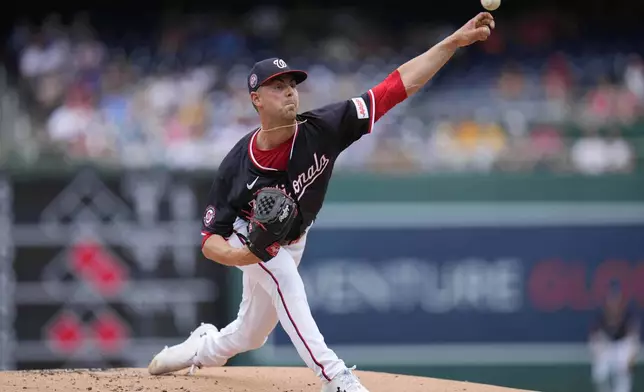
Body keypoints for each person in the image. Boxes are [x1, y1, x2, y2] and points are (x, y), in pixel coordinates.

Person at [147, 12, 496, 392]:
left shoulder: (325, 127)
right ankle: (336, 378)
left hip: (293, 238)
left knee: (251, 336)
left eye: (291, 83)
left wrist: (451, 43)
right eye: (277, 85)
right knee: (286, 280)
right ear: (255, 99)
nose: (289, 90)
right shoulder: (236, 164)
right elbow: (209, 240)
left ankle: (201, 348)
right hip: (247, 238)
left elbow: (395, 87)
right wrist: (244, 255)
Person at [589, 289, 640, 392]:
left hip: (623, 346)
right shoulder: (601, 317)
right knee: (599, 373)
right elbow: (594, 337)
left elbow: (633, 339)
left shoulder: (628, 317)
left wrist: (632, 357)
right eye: (611, 302)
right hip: (607, 347)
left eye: (617, 302)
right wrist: (597, 352)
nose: (614, 305)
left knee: (623, 371)